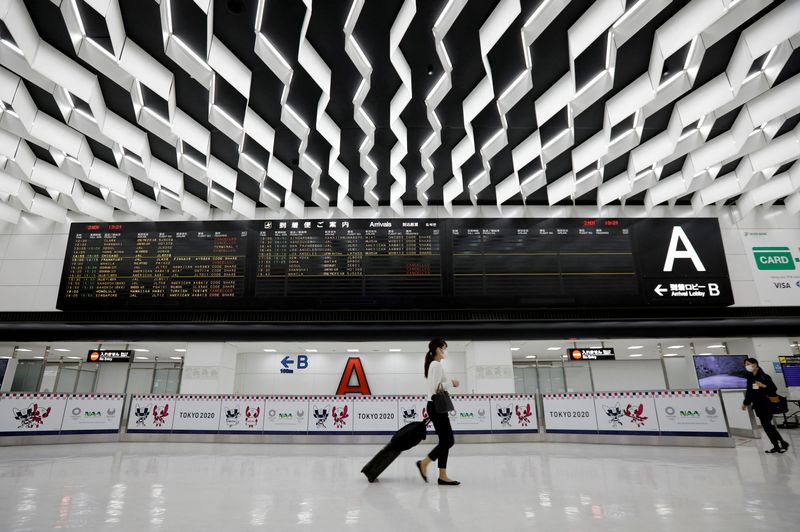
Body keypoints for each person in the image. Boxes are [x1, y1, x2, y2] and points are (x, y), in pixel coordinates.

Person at [416, 338, 460, 485]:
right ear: (437, 349)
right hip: (436, 406)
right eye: (443, 348)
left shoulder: (435, 365)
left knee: (445, 441)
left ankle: (442, 475)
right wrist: (451, 384)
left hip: (435, 405)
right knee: (449, 440)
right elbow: (436, 387)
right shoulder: (435, 365)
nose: (444, 351)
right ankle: (424, 463)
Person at [741, 357, 789, 454]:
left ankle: (782, 443)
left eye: (748, 364)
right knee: (766, 426)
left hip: (766, 404)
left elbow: (773, 388)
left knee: (767, 425)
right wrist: (745, 403)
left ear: (755, 364)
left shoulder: (763, 376)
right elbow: (749, 392)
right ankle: (777, 445)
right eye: (746, 365)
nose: (747, 366)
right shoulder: (750, 377)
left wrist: (764, 386)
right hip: (758, 405)